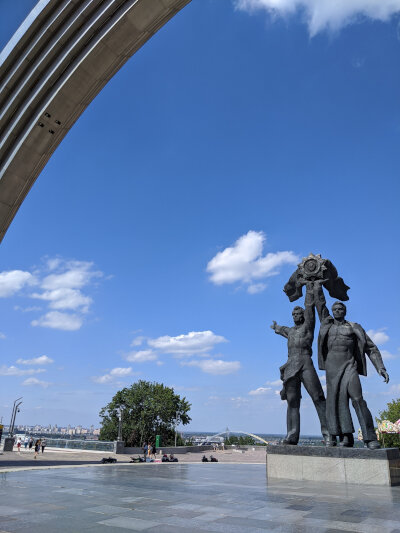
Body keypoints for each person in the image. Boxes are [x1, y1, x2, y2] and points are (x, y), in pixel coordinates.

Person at [314, 283, 389, 448]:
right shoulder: (327, 325)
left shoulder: (354, 327)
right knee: (337, 403)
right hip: (332, 369)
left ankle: (370, 438)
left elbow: (371, 347)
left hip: (349, 366)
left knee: (358, 399)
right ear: (332, 312)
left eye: (341, 309)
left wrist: (380, 367)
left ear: (345, 311)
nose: (338, 311)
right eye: (335, 310)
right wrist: (317, 285)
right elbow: (320, 304)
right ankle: (345, 437)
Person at [271, 281, 329, 445]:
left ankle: (328, 434)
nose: (296, 316)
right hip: (291, 366)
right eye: (294, 315)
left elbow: (309, 307)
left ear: (303, 316)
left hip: (305, 363)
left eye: (299, 314)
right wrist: (276, 327)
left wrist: (309, 288)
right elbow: (282, 329)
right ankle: (292, 435)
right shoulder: (290, 331)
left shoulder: (307, 327)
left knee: (318, 397)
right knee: (292, 402)